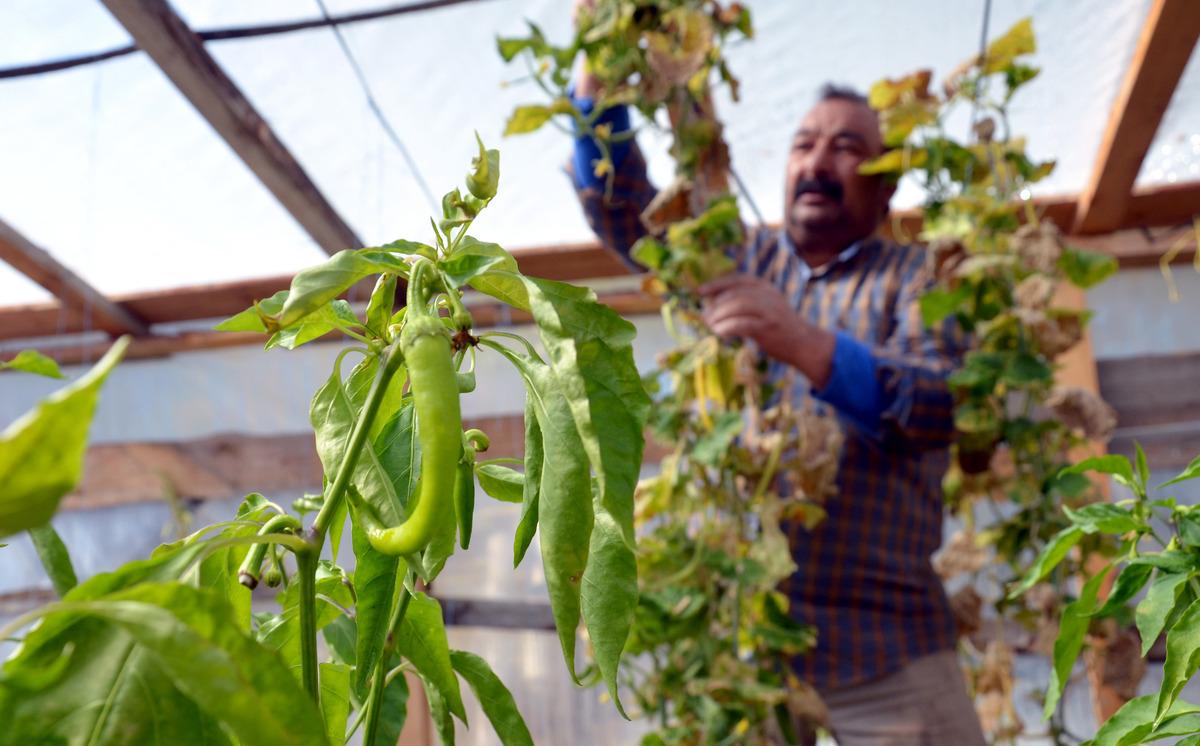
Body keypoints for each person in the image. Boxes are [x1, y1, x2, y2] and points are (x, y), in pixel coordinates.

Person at [568, 30, 988, 746]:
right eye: (804, 145)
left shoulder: (923, 276)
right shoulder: (737, 253)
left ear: (887, 181)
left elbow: (940, 405)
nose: (818, 162)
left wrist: (805, 344)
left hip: (887, 651)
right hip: (744, 649)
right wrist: (597, 81)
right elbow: (624, 210)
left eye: (848, 148)